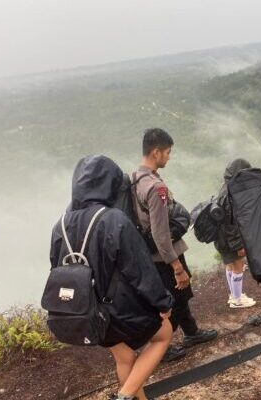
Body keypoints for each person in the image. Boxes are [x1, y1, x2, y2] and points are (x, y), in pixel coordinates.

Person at [49, 155, 174, 400]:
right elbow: (140, 270)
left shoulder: (60, 225)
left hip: (86, 313)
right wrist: (163, 303)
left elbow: (56, 269)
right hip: (118, 311)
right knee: (164, 334)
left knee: (125, 356)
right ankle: (125, 396)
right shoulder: (114, 219)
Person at [133, 128, 217, 361]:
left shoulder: (134, 179)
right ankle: (161, 346)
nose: (169, 157)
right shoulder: (155, 187)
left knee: (180, 297)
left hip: (149, 253)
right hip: (165, 256)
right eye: (168, 152)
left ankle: (191, 332)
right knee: (172, 302)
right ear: (156, 152)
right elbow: (161, 234)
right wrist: (177, 267)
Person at [214, 159, 257, 308]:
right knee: (238, 266)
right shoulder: (233, 192)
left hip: (220, 238)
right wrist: (239, 245)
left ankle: (234, 295)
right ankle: (238, 300)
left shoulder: (224, 187)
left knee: (230, 266)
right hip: (231, 239)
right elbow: (233, 223)